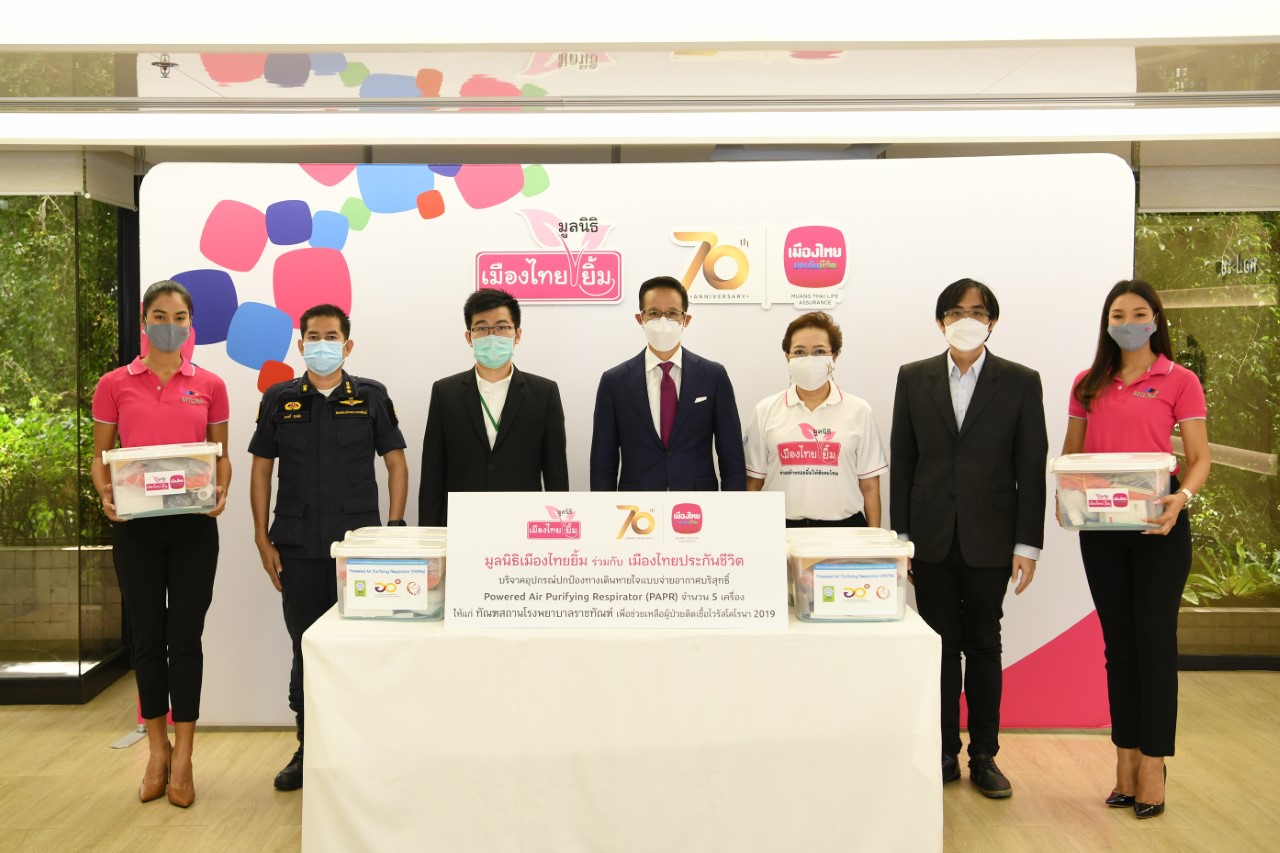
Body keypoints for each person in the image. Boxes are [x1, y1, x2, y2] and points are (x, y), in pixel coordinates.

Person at [890, 277, 1047, 799]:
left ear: (992, 322)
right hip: (929, 538)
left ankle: (984, 756)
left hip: (992, 538)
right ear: (941, 322)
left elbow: (1030, 467)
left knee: (983, 645)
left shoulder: (1020, 381)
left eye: (977, 312)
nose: (966, 320)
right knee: (938, 647)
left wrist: (1027, 545)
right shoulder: (913, 377)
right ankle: (942, 753)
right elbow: (904, 462)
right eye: (956, 312)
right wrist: (902, 539)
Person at [1060, 279, 1209, 820]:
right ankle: (1124, 761)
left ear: (1155, 319)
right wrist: (1066, 499)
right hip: (1102, 529)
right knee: (1119, 647)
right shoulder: (1087, 384)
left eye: (1139, 313)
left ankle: (1153, 764)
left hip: (1159, 527)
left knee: (1155, 646)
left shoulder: (1179, 380)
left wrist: (1181, 499)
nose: (1128, 322)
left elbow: (1199, 458)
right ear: (1107, 323)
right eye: (1118, 314)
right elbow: (1072, 455)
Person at [248, 303, 408, 791]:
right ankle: (309, 750)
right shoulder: (279, 399)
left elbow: (396, 463)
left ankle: (365, 752)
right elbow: (261, 469)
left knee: (364, 651)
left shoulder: (371, 396)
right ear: (301, 345)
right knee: (307, 649)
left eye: (331, 336)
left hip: (361, 549)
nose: (322, 344)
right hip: (296, 549)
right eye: (313, 337)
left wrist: (393, 529)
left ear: (347, 344)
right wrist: (260, 536)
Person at [91, 280, 231, 808]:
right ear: (144, 320)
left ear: (190, 324)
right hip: (136, 529)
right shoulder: (114, 384)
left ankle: (186, 754)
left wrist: (221, 491)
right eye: (159, 316)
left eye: (179, 317)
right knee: (147, 640)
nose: (169, 325)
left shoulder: (211, 384)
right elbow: (101, 457)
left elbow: (220, 456)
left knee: (185, 639)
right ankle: (157, 749)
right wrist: (105, 493)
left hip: (194, 528)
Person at [418, 288, 569, 525]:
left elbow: (556, 472)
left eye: (501, 327)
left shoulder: (544, 392)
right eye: (481, 328)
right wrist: (429, 532)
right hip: (461, 522)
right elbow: (432, 473)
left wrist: (559, 528)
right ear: (469, 337)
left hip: (523, 522)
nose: (492, 336)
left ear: (517, 334)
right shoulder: (444, 392)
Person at [589, 276, 746, 491]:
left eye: (672, 313)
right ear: (640, 318)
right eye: (654, 313)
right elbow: (602, 462)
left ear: (685, 319)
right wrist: (605, 506)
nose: (663, 321)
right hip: (637, 503)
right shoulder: (614, 382)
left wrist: (732, 505)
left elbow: (731, 455)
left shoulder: (713, 376)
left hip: (698, 501)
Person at [744, 312, 887, 527]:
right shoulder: (765, 410)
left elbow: (870, 487)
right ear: (787, 357)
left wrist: (873, 539)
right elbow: (753, 484)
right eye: (799, 352)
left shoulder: (859, 411)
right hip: (781, 527)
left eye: (819, 351)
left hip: (845, 528)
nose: (809, 359)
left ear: (834, 357)